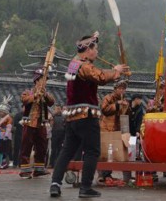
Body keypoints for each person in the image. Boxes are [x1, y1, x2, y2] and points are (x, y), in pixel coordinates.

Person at [49, 32, 128, 198]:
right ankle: (85, 187)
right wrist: (116, 72)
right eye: (95, 48)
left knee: (66, 151)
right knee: (92, 151)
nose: (97, 52)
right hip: (86, 116)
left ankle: (55, 184)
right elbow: (99, 76)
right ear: (87, 50)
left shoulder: (73, 64)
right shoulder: (83, 66)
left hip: (72, 116)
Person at [19, 68, 55, 179]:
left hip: (41, 123)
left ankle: (39, 169)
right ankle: (25, 170)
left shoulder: (46, 93)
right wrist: (35, 95)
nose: (44, 82)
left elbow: (51, 102)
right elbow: (24, 100)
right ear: (36, 80)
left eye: (45, 80)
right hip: (29, 122)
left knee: (42, 146)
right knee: (26, 146)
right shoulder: (28, 92)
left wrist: (45, 95)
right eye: (42, 80)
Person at [99, 79, 130, 184]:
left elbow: (125, 116)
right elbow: (104, 110)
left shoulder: (124, 99)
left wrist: (126, 108)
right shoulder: (108, 97)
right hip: (107, 128)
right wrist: (117, 104)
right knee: (106, 153)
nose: (122, 91)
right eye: (120, 88)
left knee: (116, 153)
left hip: (117, 129)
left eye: (123, 89)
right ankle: (103, 175)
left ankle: (113, 175)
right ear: (115, 89)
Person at [0, 96, 13, 169]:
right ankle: (1, 163)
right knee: (0, 150)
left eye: (2, 111)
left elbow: (9, 128)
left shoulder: (9, 118)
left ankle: (4, 163)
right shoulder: (1, 118)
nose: (1, 113)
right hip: (0, 135)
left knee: (4, 150)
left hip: (5, 136)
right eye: (0, 111)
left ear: (6, 111)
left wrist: (6, 135)